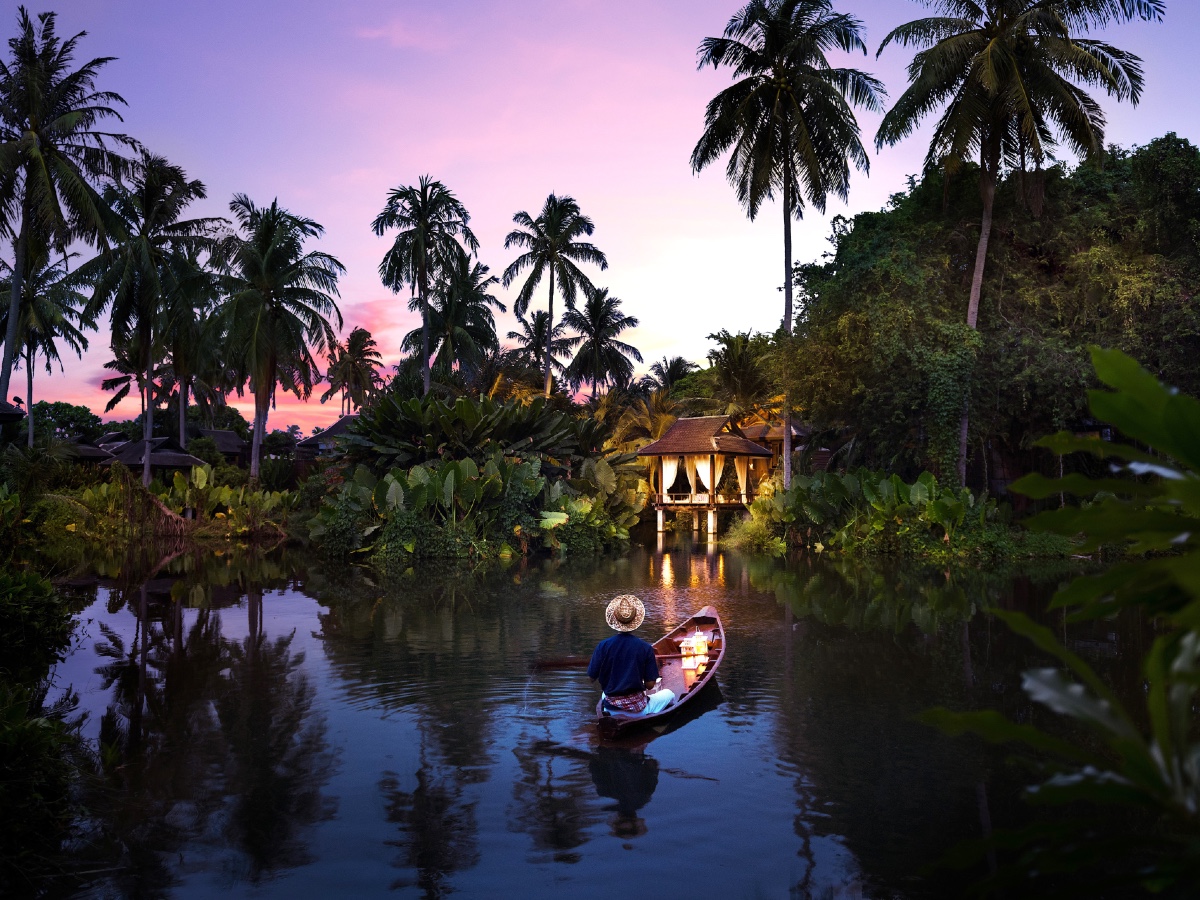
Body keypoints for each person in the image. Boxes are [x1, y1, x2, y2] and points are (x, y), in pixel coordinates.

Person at [588, 594, 675, 716]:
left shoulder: (602, 646)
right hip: (638, 710)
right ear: (635, 621)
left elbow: (591, 678)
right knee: (669, 694)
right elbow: (650, 686)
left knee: (604, 694)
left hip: (610, 709)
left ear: (615, 620)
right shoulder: (645, 648)